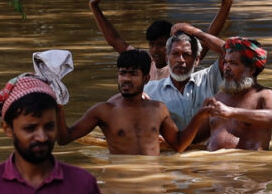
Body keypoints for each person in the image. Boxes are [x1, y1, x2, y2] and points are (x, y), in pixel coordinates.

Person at [56, 50, 210, 155]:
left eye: (133, 74)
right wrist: (58, 104)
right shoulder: (104, 111)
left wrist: (200, 116)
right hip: (120, 181)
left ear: (146, 79)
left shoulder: (158, 109)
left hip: (152, 182)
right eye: (122, 73)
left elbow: (179, 145)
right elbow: (64, 139)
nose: (126, 79)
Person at [89, 0, 234, 81]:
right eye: (151, 45)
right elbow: (114, 40)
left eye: (160, 45)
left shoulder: (181, 63)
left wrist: (225, 5)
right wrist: (94, 7)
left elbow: (208, 39)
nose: (155, 50)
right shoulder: (144, 60)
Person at [202, 37, 272, 151]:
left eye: (233, 63)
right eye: (225, 62)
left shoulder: (265, 95)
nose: (226, 68)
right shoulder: (218, 97)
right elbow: (193, 139)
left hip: (249, 165)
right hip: (212, 164)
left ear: (251, 70)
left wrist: (231, 112)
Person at [143, 27, 226, 132]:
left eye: (186, 55)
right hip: (169, 148)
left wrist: (195, 32)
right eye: (175, 54)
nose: (180, 60)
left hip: (207, 147)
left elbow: (234, 52)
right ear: (167, 59)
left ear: (196, 60)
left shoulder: (209, 79)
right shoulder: (149, 90)